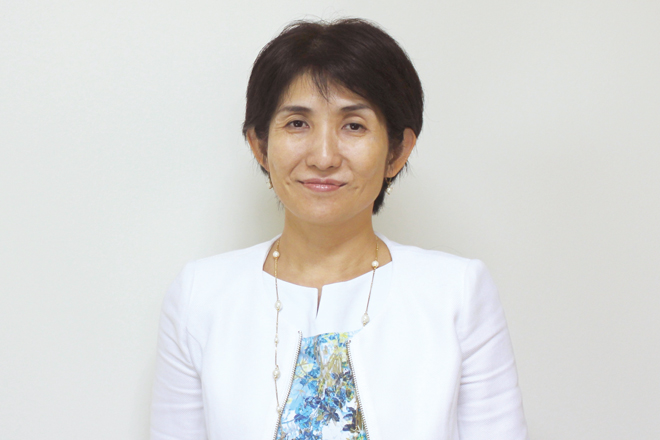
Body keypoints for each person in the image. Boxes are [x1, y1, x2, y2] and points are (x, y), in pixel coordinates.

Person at [150, 18, 528, 440]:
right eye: (297, 123)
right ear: (260, 145)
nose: (324, 157)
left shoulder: (457, 292)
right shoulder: (200, 295)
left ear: (397, 151)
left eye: (354, 126)